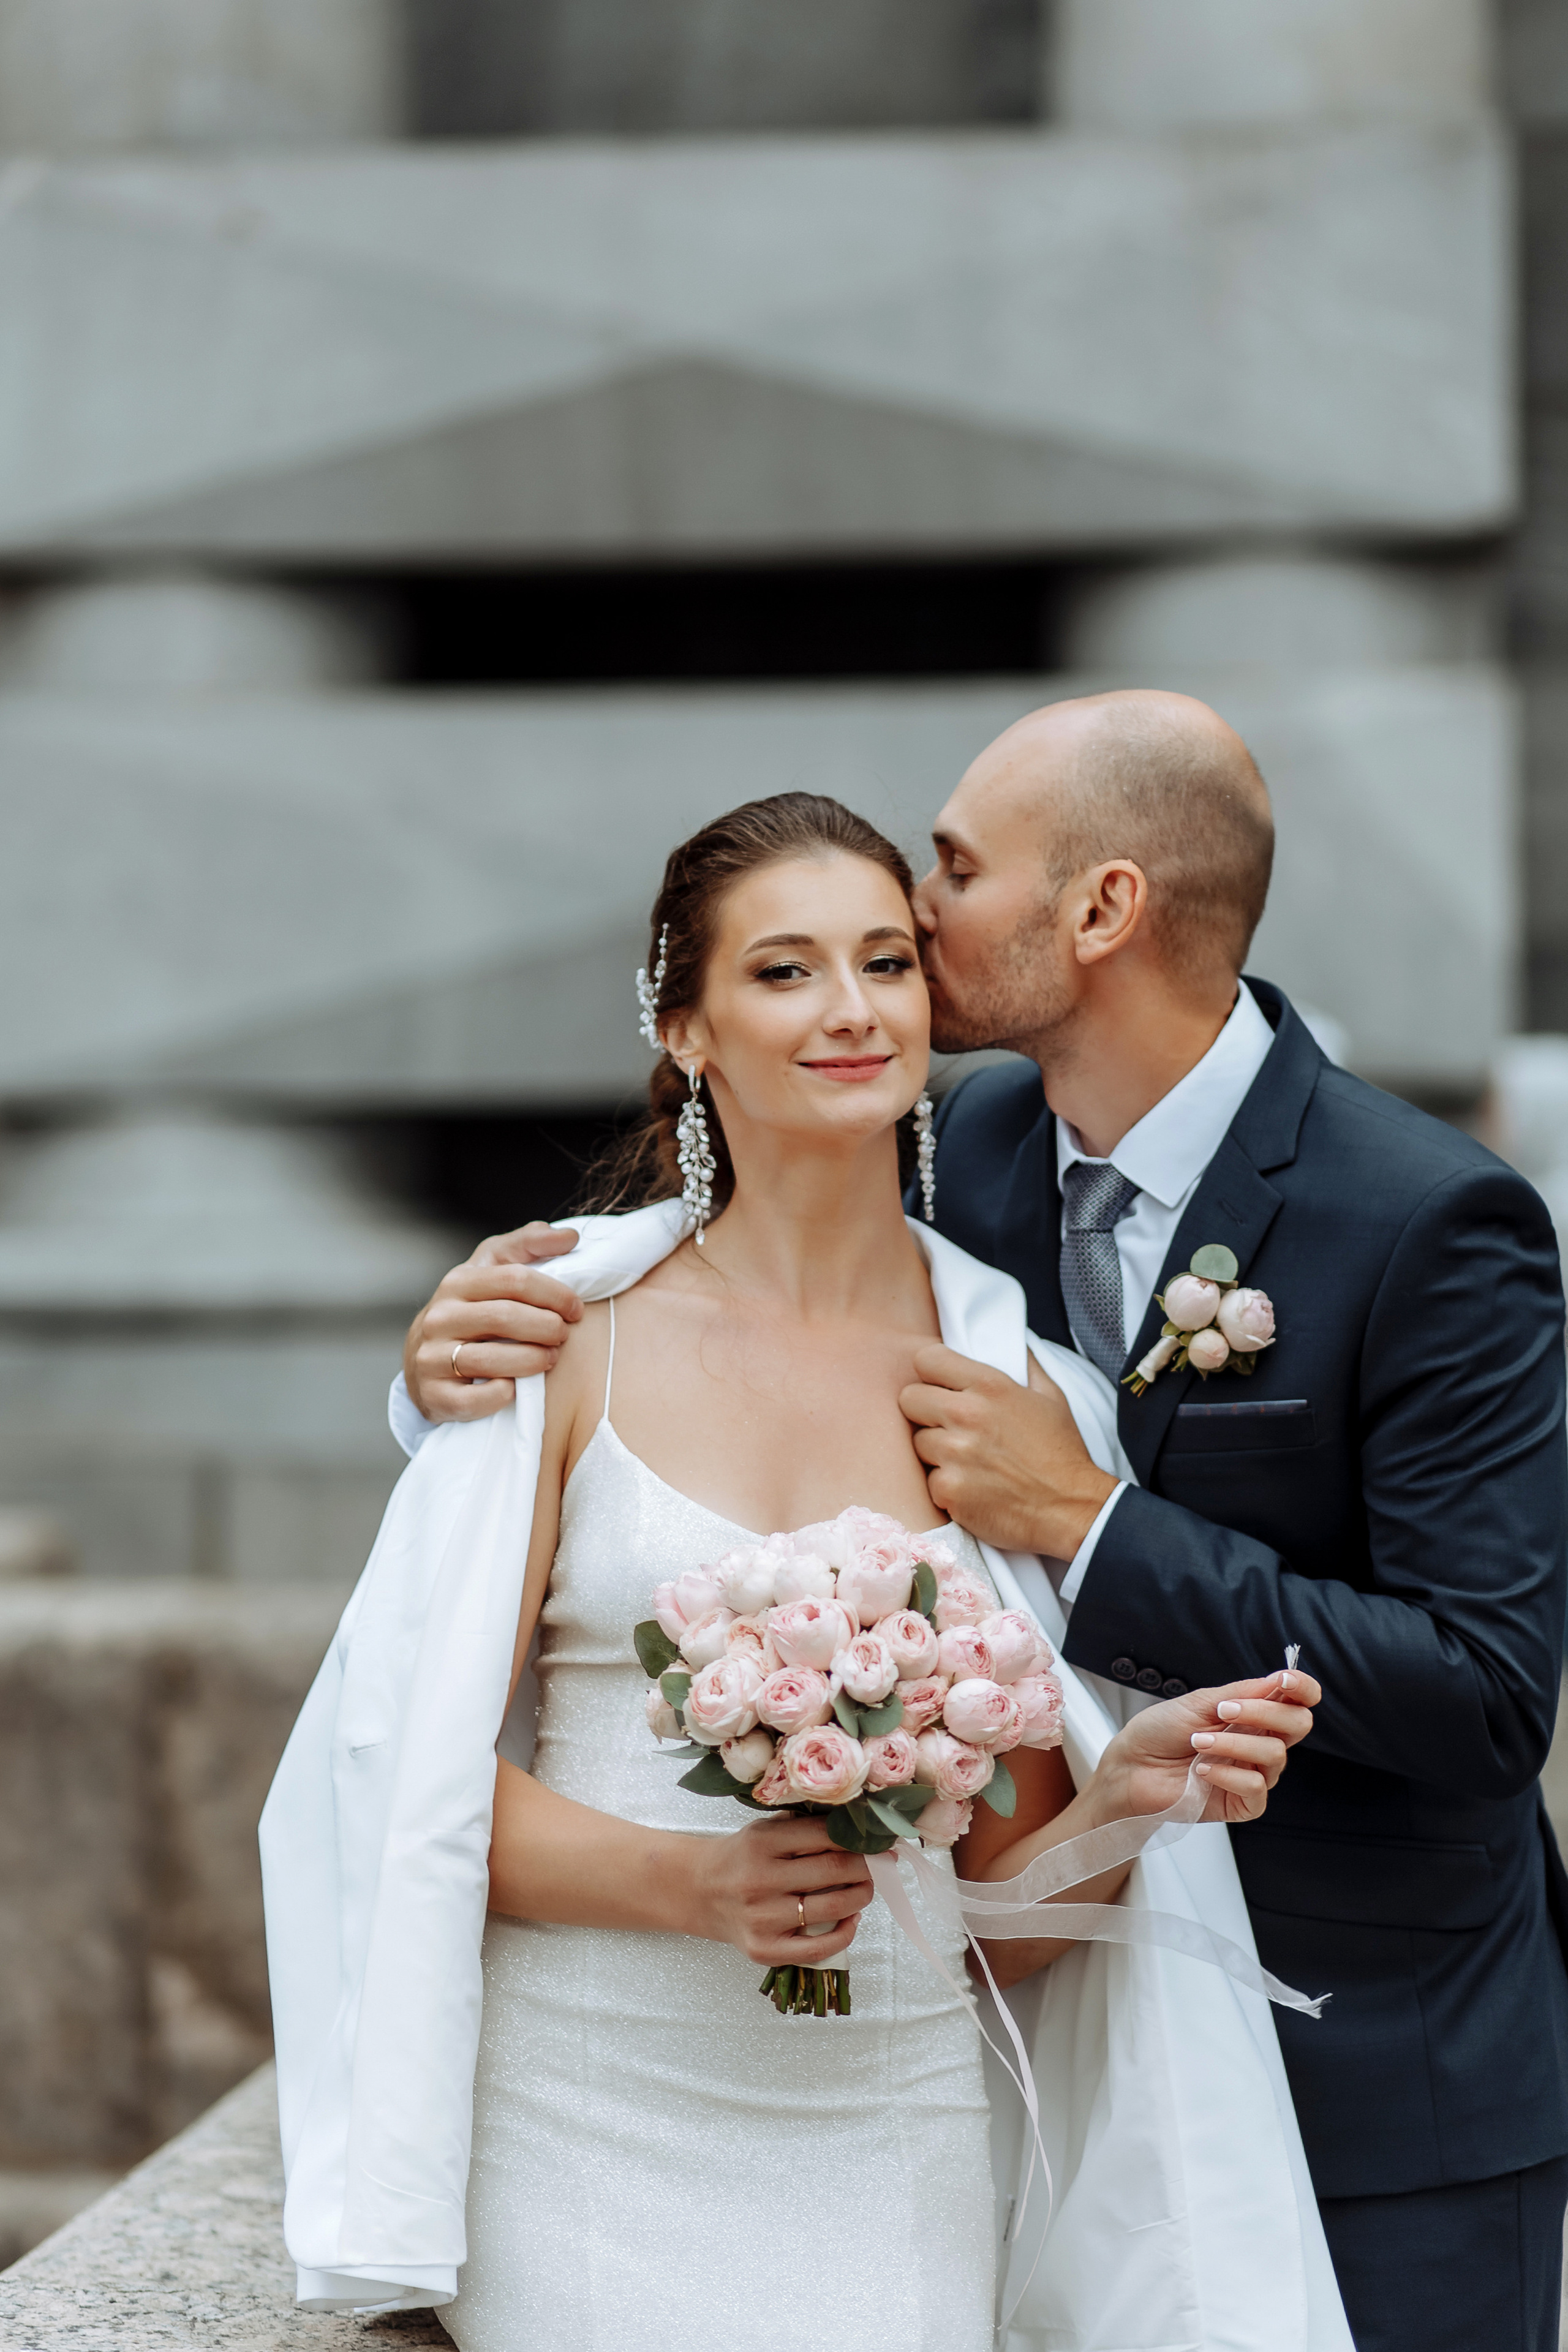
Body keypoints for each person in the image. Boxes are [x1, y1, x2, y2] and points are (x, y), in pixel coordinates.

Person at [402, 695, 1568, 2352]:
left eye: (945, 877)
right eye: (801, 965)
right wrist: (449, 1363)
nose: (909, 944)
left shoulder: (1430, 1219)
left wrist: (1096, 1529)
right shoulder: (964, 1149)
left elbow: (1490, 1689)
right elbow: (721, 1273)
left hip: (1386, 2074)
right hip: (957, 2049)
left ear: (1099, 910)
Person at [268, 791, 1338, 2351]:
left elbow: (1000, 1921)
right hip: (586, 2114)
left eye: (887, 962)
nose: (849, 1011)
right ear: (687, 1026)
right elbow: (393, 1768)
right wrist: (693, 1883)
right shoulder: (561, 1337)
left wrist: (1127, 1802)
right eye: (783, 972)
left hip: (888, 2123)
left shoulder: (1007, 1391)